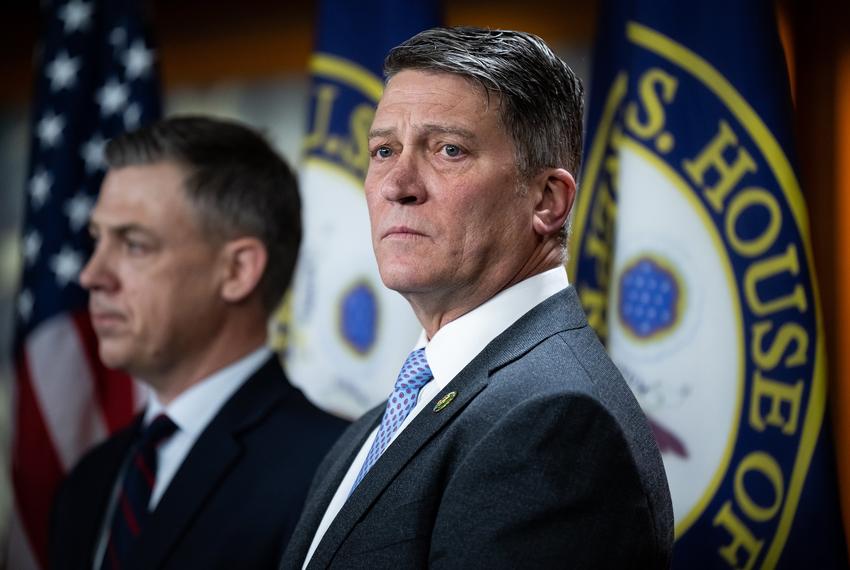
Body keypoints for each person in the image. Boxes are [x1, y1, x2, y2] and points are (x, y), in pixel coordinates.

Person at [280, 27, 674, 569]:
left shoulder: (556, 421)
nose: (399, 184)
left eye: (448, 150)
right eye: (384, 150)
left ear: (547, 200)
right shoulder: (382, 420)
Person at [49, 116, 349, 570]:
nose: (91, 275)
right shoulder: (91, 477)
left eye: (133, 244)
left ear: (237, 271)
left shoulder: (332, 473)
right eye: (97, 240)